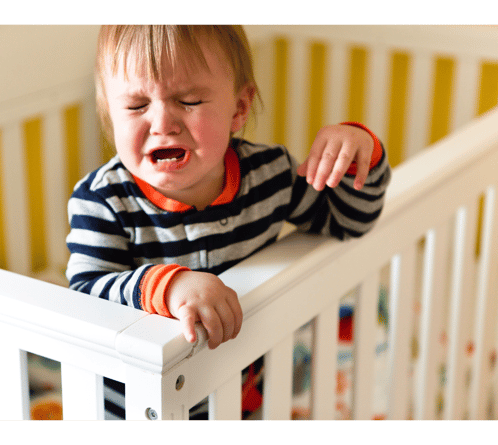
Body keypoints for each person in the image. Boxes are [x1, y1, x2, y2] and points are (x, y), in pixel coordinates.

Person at [66, 24, 391, 420]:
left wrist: (362, 151)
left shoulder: (269, 175)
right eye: (135, 106)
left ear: (239, 108)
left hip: (245, 395)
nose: (162, 122)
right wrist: (167, 287)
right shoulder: (102, 199)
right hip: (132, 407)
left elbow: (349, 222)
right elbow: (85, 295)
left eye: (189, 100)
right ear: (110, 114)